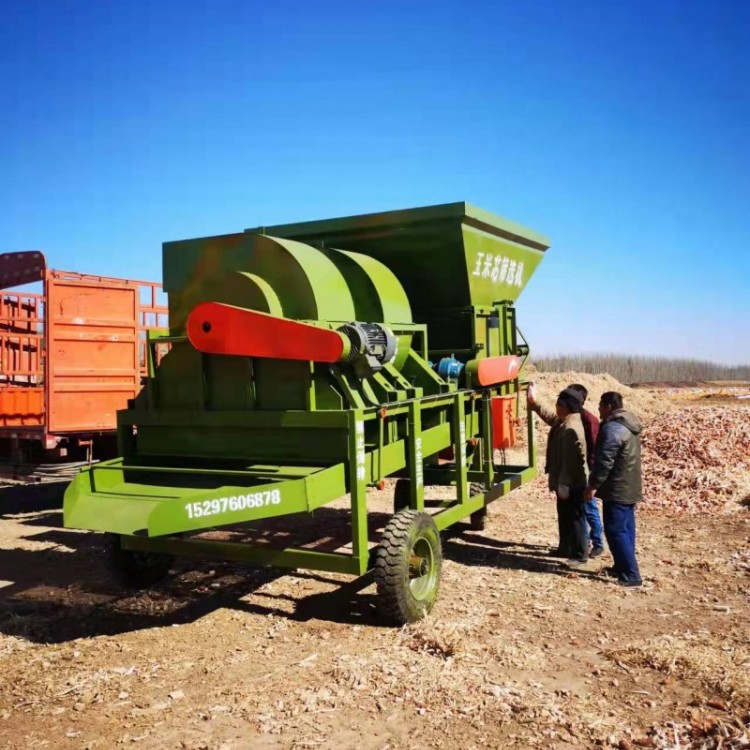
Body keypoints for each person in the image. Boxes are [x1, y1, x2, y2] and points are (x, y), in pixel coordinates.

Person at [584, 391, 644, 587]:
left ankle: (631, 575)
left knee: (616, 530)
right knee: (626, 529)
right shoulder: (629, 424)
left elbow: (604, 462)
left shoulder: (613, 429)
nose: (599, 410)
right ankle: (622, 566)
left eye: (601, 405)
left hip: (618, 487)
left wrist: (593, 485)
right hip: (629, 485)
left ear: (609, 406)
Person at [528, 385, 589, 566]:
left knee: (575, 518)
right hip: (566, 482)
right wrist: (534, 402)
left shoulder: (571, 428)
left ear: (566, 406)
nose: (555, 406)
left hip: (571, 482)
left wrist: (564, 484)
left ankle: (580, 554)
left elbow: (571, 462)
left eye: (558, 404)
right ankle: (565, 548)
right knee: (564, 516)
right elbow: (549, 417)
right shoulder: (565, 420)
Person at [567, 384, 604, 558]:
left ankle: (598, 543)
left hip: (586, 471)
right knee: (579, 509)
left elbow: (595, 449)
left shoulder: (589, 420)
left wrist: (591, 476)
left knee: (589, 508)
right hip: (574, 470)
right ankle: (584, 541)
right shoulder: (570, 417)